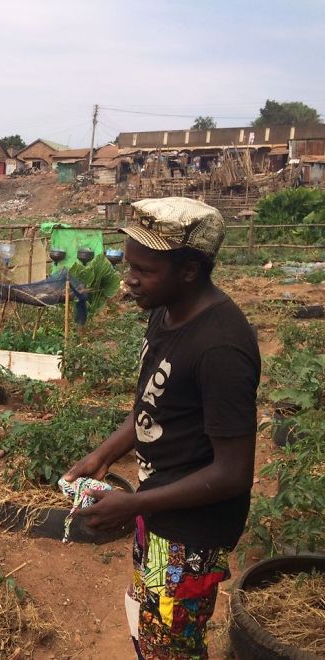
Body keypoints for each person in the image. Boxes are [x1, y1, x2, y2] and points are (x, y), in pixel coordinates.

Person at [63, 197, 260, 659]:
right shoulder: (166, 311)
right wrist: (104, 454)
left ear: (189, 270)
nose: (128, 280)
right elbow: (154, 404)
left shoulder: (221, 349)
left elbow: (233, 473)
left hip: (191, 535)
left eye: (143, 270)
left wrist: (133, 503)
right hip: (158, 512)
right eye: (128, 264)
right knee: (154, 636)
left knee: (171, 649)